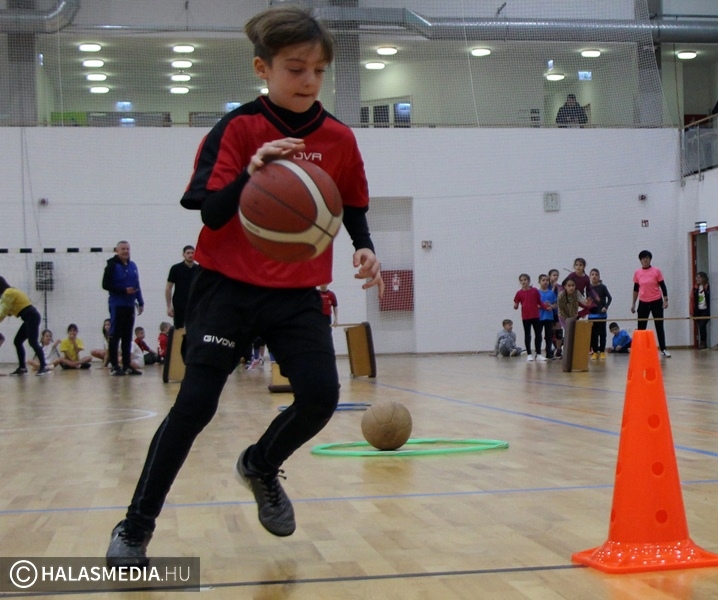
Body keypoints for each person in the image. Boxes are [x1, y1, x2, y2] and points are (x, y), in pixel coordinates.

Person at [106, 5, 383, 568]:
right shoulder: (237, 129)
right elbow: (210, 213)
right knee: (194, 407)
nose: (309, 81)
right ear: (263, 68)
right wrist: (252, 172)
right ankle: (135, 528)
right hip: (227, 289)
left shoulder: (338, 137)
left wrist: (364, 244)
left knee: (321, 398)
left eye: (318, 71)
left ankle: (260, 465)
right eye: (295, 69)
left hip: (297, 293)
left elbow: (351, 202)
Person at [102, 241, 145, 376]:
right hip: (117, 304)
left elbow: (137, 284)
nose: (126, 251)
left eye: (127, 249)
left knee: (127, 335)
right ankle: (115, 365)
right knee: (115, 335)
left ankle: (127, 365)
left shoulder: (133, 266)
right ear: (117, 250)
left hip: (130, 305)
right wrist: (123, 291)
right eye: (123, 249)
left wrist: (140, 301)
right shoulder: (112, 266)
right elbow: (105, 284)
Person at [0, 277, 50, 375]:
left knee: (33, 342)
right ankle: (22, 368)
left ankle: (44, 367)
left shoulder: (8, 293)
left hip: (31, 317)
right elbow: (8, 311)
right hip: (29, 317)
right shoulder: (12, 291)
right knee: (18, 341)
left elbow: (3, 311)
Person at [631, 250, 670, 357]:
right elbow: (636, 289)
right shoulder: (637, 273)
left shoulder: (656, 271)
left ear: (650, 259)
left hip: (656, 301)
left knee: (659, 326)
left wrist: (665, 300)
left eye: (647, 258)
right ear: (640, 260)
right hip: (643, 302)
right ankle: (640, 350)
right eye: (643, 258)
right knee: (641, 327)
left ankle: (663, 349)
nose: (645, 260)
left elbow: (663, 286)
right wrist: (633, 304)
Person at [513, 273, 545, 362]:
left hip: (535, 315)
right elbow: (516, 304)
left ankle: (538, 354)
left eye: (525, 280)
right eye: (521, 280)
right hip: (526, 317)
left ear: (529, 280)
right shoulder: (519, 293)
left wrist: (546, 307)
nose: (523, 282)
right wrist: (515, 306)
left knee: (538, 334)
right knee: (528, 335)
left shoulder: (534, 290)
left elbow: (539, 302)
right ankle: (529, 354)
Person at [165, 245, 197, 329]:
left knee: (194, 326)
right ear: (183, 254)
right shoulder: (176, 268)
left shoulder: (198, 269)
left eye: (192, 253)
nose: (190, 255)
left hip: (194, 303)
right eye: (188, 253)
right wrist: (169, 306)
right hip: (179, 303)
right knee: (179, 327)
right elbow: (168, 287)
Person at [588, 268, 612, 360]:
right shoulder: (588, 288)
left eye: (596, 274)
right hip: (592, 315)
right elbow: (587, 300)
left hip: (602, 315)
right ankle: (594, 352)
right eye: (592, 274)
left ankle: (602, 351)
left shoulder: (603, 287)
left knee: (602, 334)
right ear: (590, 276)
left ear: (599, 277)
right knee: (593, 335)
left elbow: (609, 298)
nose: (594, 276)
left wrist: (606, 307)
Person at [537, 274, 557, 359]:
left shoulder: (551, 293)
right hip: (539, 317)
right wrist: (542, 306)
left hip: (549, 317)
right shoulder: (537, 293)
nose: (545, 282)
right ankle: (538, 354)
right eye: (543, 280)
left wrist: (551, 306)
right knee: (538, 336)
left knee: (549, 336)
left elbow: (555, 304)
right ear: (539, 282)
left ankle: (549, 353)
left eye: (547, 280)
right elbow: (534, 305)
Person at [691, 271, 710, 349]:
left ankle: (703, 342)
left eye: (699, 277)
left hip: (705, 310)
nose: (697, 279)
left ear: (703, 278)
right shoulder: (695, 288)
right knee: (700, 326)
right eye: (697, 277)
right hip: (698, 310)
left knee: (702, 325)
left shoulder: (707, 287)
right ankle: (703, 343)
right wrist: (692, 311)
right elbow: (692, 300)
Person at [548, 268, 563, 358]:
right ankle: (549, 349)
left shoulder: (560, 287)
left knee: (559, 331)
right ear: (549, 276)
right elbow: (548, 296)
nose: (556, 277)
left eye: (557, 275)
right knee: (549, 332)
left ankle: (559, 350)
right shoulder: (547, 286)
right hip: (549, 313)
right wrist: (553, 287)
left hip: (558, 312)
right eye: (554, 275)